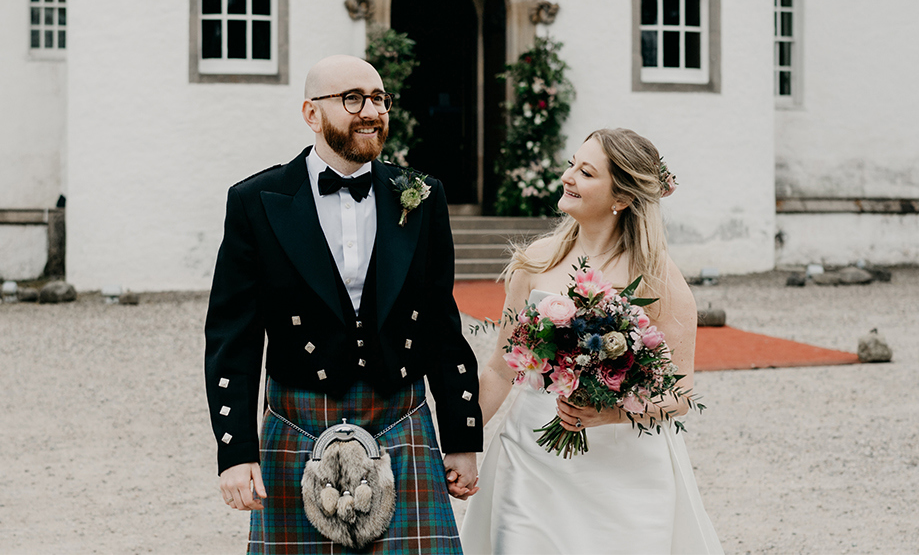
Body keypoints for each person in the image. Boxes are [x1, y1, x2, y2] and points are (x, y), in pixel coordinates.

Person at [204, 54, 482, 554]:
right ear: (312, 113)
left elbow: (442, 323)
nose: (370, 111)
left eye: (378, 98)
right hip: (298, 418)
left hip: (400, 414)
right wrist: (236, 450)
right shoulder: (257, 200)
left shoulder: (419, 196)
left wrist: (462, 437)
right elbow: (234, 335)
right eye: (352, 98)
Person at [459, 128, 722, 554]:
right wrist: (460, 442)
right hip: (531, 458)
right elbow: (500, 367)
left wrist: (610, 413)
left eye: (586, 172)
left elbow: (680, 392)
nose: (568, 177)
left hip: (623, 471)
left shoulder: (657, 275)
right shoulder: (535, 261)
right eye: (571, 165)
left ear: (621, 198)